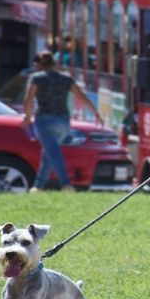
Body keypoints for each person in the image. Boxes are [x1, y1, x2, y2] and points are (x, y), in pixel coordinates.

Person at [22, 51, 103, 193]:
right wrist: (95, 113)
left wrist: (27, 117)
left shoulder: (36, 78)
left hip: (44, 119)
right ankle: (38, 186)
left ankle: (66, 185)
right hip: (63, 120)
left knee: (53, 152)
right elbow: (80, 96)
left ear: (40, 64)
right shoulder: (66, 79)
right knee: (48, 152)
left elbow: (28, 100)